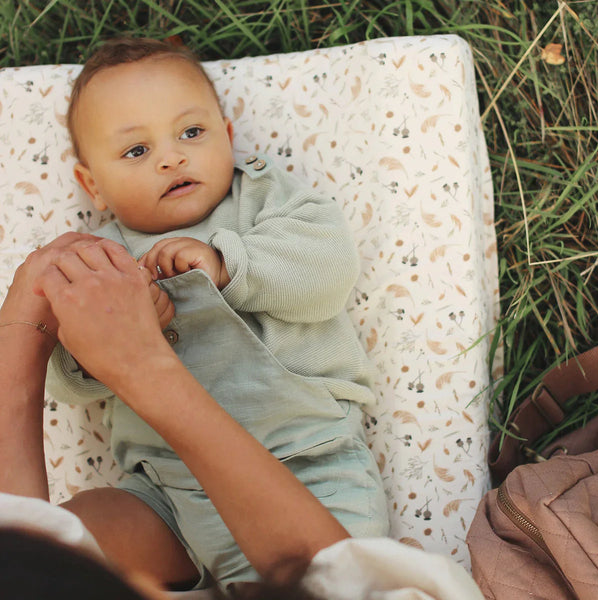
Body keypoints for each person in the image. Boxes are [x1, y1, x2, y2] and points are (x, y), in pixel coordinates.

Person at [37, 36, 389, 592]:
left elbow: (329, 266)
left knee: (344, 583)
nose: (172, 157)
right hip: (168, 494)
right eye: (136, 152)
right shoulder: (98, 259)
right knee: (70, 538)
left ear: (227, 137)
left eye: (192, 133)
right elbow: (65, 382)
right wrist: (96, 344)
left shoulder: (261, 198)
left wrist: (230, 264)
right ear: (92, 186)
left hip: (305, 464)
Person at [0, 237, 484, 600]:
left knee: (75, 529)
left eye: (192, 132)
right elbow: (343, 584)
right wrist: (131, 363)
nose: (172, 158)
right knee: (349, 580)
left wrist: (22, 343)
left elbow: (29, 570)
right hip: (301, 474)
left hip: (176, 489)